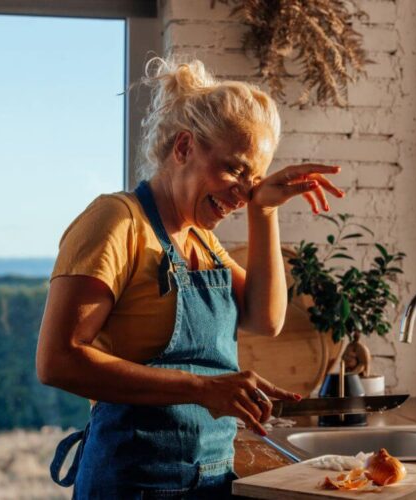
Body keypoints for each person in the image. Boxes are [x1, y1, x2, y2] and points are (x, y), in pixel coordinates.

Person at [37, 56, 344, 499]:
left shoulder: (200, 239)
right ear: (184, 148)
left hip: (210, 479)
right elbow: (57, 360)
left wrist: (265, 210)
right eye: (236, 169)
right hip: (133, 481)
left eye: (254, 179)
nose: (243, 193)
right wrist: (203, 388)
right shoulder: (116, 221)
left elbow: (266, 318)